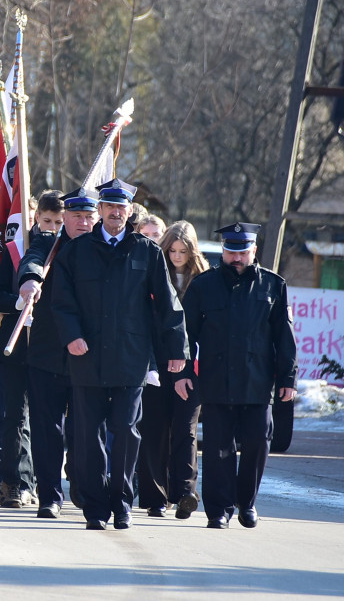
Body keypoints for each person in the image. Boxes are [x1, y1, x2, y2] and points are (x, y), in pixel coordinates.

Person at [52, 178, 188, 530]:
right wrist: (72, 336)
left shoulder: (146, 250)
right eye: (109, 207)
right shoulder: (77, 251)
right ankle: (95, 507)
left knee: (127, 431)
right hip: (87, 357)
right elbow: (61, 302)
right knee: (88, 436)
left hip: (131, 358)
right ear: (99, 210)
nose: (115, 213)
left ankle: (122, 501)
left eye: (121, 208)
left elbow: (168, 306)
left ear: (129, 212)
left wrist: (176, 349)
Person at [179, 222, 297, 529]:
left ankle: (247, 503)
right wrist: (182, 371)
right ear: (223, 250)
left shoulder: (273, 285)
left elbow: (285, 336)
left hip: (257, 381)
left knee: (258, 441)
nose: (236, 258)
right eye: (231, 252)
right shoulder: (204, 286)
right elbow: (185, 334)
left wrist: (288, 379)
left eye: (243, 252)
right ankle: (218, 510)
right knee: (219, 447)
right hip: (216, 380)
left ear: (253, 251)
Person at [0, 188, 72, 511]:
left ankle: (46, 481)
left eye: (58, 221)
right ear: (36, 217)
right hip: (17, 340)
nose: (52, 227)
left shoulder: (71, 250)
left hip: (53, 347)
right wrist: (16, 302)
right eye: (46, 220)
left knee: (46, 420)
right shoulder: (18, 248)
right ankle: (16, 482)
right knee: (14, 414)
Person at [137, 220, 211, 519]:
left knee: (185, 430)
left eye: (183, 251)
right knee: (154, 431)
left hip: (190, 367)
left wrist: (188, 370)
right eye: (171, 250)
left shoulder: (204, 281)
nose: (176, 257)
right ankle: (155, 497)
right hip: (155, 364)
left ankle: (185, 493)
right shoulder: (154, 275)